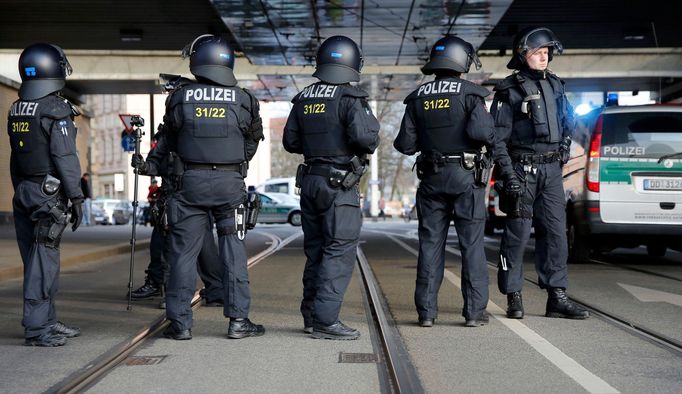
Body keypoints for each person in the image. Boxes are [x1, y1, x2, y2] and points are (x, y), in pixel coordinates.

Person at [131, 34, 264, 340]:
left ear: (197, 62)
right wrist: (236, 162)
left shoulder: (179, 98)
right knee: (233, 251)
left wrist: (150, 166)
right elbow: (252, 139)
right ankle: (239, 321)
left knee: (182, 255)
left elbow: (167, 141)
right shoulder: (244, 98)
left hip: (188, 184)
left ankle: (180, 324)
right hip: (230, 185)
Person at [394, 36, 503, 327]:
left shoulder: (417, 98)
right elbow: (482, 133)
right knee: (472, 245)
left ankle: (426, 313)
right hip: (466, 177)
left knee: (430, 245)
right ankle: (474, 312)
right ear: (461, 62)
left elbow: (404, 144)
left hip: (431, 179)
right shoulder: (471, 94)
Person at [283, 35, 380, 340]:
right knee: (339, 250)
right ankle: (326, 321)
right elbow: (367, 139)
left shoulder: (304, 98)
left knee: (316, 251)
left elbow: (291, 142)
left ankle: (311, 316)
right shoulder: (351, 98)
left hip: (310, 181)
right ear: (352, 63)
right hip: (339, 184)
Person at [491, 27, 589, 320]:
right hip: (521, 170)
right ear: (523, 54)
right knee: (516, 235)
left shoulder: (557, 85)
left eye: (547, 52)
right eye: (538, 52)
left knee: (557, 234)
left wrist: (564, 150)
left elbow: (569, 122)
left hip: (550, 171)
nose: (544, 56)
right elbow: (497, 139)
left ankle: (557, 298)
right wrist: (508, 176)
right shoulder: (508, 90)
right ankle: (513, 297)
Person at [9, 43, 83, 346]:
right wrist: (76, 197)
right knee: (44, 262)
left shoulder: (17, 108)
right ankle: (38, 328)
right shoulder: (56, 108)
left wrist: (21, 189)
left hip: (25, 190)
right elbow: (65, 157)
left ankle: (49, 320)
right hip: (47, 194)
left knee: (36, 260)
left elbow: (16, 156)